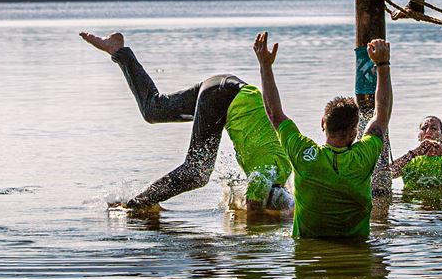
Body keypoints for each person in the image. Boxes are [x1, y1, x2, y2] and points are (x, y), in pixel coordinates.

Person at [80, 31, 293, 215]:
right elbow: (254, 211)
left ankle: (118, 49)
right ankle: (136, 205)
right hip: (223, 97)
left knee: (152, 110)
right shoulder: (264, 178)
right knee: (196, 173)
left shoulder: (285, 168)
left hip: (229, 89)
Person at [253, 31, 392, 238]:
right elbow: (381, 117)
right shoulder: (364, 156)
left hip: (307, 263)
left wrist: (265, 66)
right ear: (355, 132)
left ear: (322, 124)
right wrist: (383, 65)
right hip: (356, 260)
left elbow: (274, 114)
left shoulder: (303, 153)